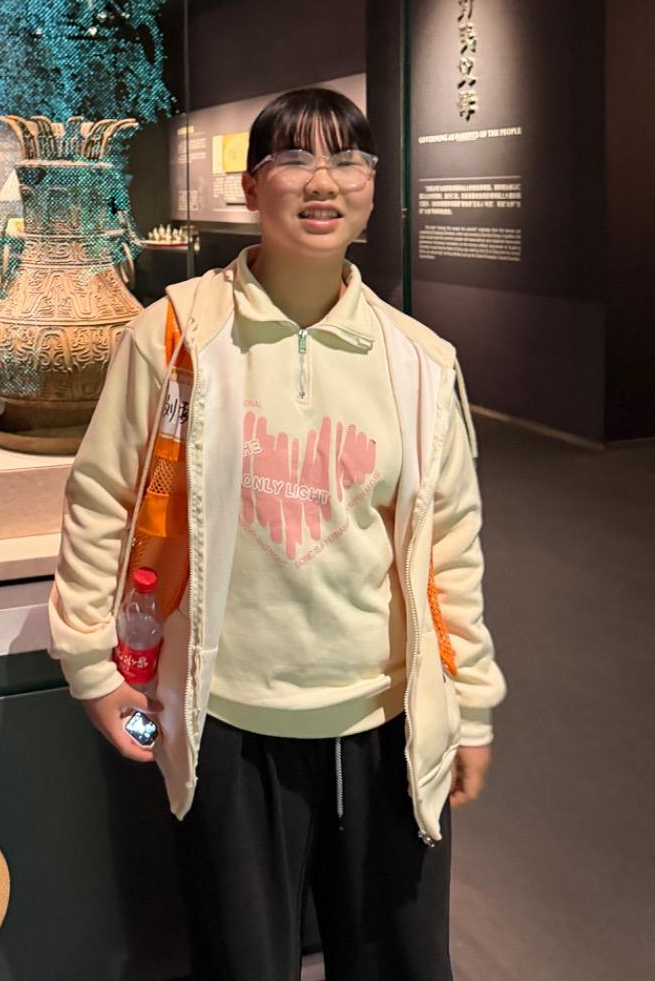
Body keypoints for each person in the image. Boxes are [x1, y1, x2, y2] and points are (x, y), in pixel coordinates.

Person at [49, 87, 505, 981]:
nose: (322, 181)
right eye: (295, 159)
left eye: (347, 160)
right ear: (252, 187)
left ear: (372, 188)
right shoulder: (175, 336)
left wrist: (471, 707)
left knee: (400, 961)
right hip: (229, 718)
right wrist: (91, 666)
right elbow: (102, 499)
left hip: (384, 721)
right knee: (241, 960)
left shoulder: (418, 360)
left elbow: (451, 547)